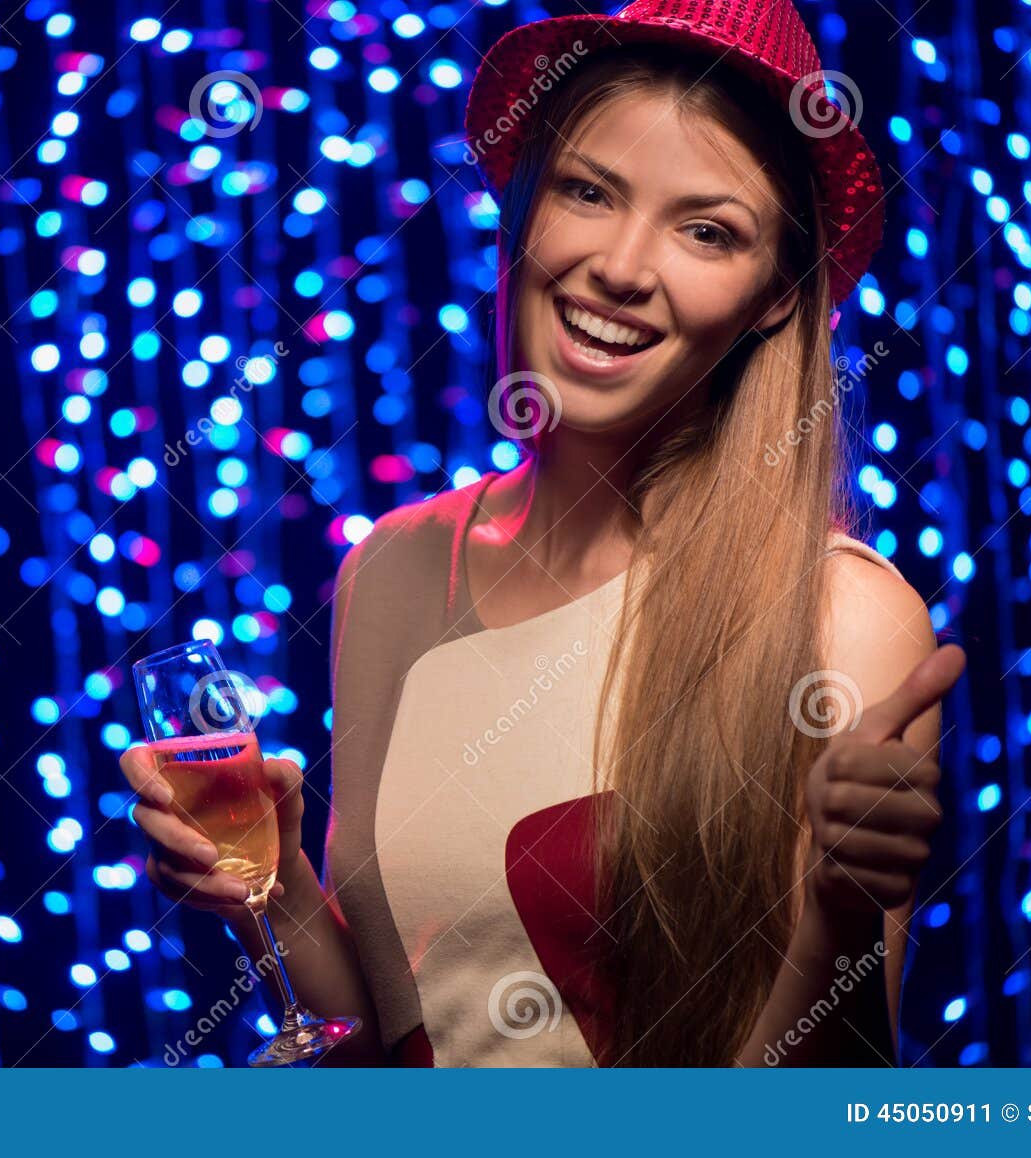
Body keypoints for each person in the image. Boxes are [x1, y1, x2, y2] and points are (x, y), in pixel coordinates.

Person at [121, 0, 966, 1067]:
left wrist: (838, 927)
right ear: (523, 213)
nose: (620, 264)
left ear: (768, 297)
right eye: (587, 191)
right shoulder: (392, 568)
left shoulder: (841, 615)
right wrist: (274, 890)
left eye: (707, 230)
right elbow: (398, 1036)